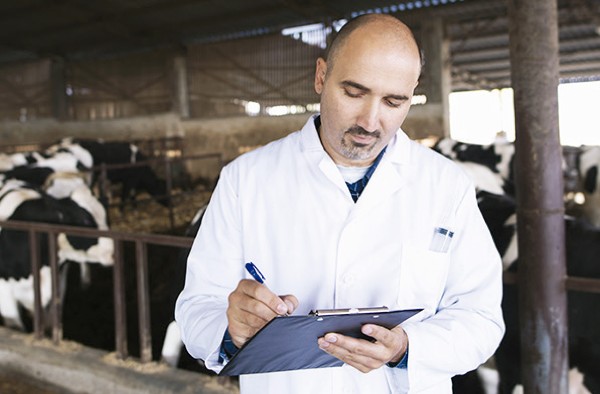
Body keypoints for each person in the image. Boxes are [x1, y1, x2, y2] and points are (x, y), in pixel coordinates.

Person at [175, 13, 504, 394]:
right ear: (320, 77)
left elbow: (481, 319)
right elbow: (197, 308)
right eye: (353, 92)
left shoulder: (447, 185)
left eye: (394, 101)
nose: (370, 120)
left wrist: (406, 347)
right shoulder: (245, 179)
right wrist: (232, 327)